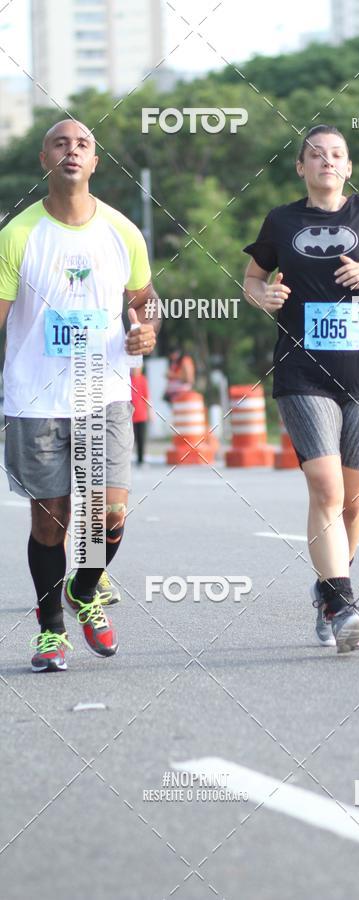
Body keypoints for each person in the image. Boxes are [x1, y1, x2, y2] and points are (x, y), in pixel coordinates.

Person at [243, 124, 359, 654]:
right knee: (326, 488)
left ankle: (325, 588)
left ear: (349, 166)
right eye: (316, 154)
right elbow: (252, 277)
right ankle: (343, 603)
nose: (327, 161)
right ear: (301, 167)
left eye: (336, 154)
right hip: (302, 373)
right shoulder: (283, 220)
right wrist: (262, 296)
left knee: (354, 498)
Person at [0, 119, 159, 672]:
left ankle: (83, 587)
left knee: (109, 514)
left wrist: (147, 328)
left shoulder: (122, 231)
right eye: (61, 143)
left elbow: (144, 299)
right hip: (34, 399)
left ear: (95, 162)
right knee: (52, 522)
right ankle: (50, 631)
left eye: (83, 144)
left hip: (105, 391)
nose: (72, 150)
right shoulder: (18, 234)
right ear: (45, 159)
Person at [131, 366, 151, 465]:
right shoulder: (128, 379)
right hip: (130, 415)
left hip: (141, 414)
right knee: (131, 438)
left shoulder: (143, 380)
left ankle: (141, 459)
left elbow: (146, 397)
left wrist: (150, 413)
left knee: (141, 438)